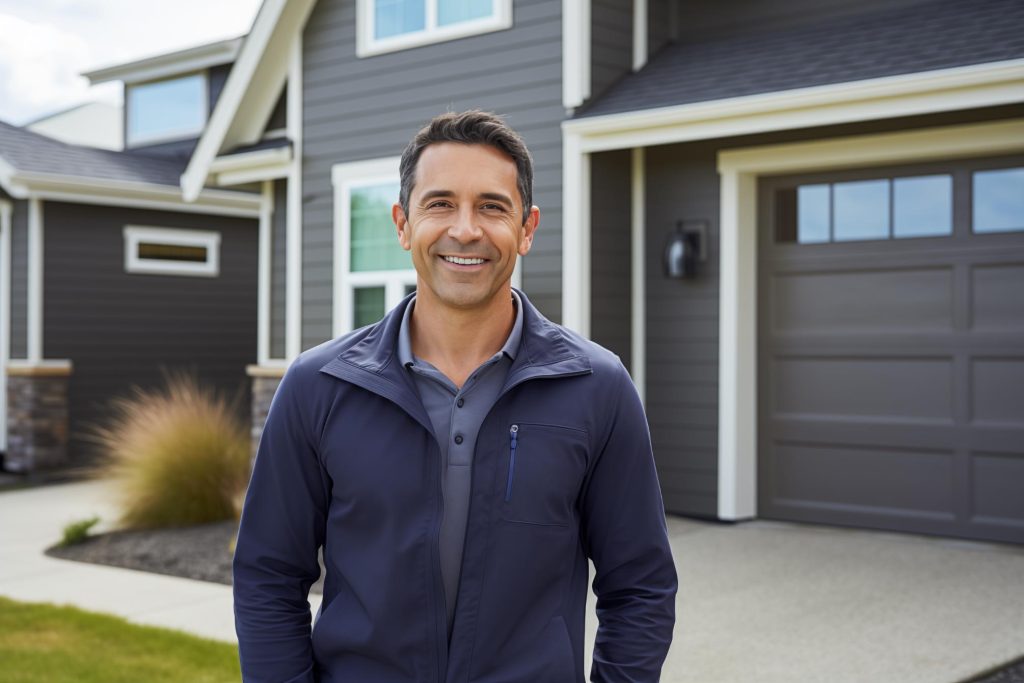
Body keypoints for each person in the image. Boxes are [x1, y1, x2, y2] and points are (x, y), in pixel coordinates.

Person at [233, 110, 677, 683]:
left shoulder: (598, 388)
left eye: (492, 206)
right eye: (439, 204)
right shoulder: (318, 386)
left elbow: (640, 584)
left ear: (527, 228)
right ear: (401, 223)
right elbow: (268, 575)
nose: (465, 230)